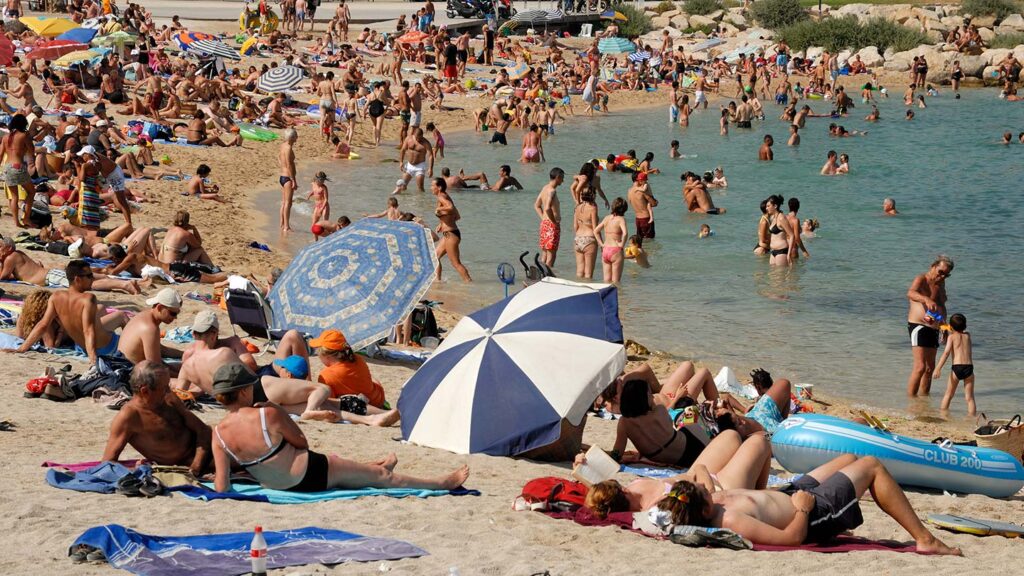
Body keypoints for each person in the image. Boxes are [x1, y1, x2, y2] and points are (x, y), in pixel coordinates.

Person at [211, 362, 469, 493]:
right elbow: (302, 444)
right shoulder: (267, 414)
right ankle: (439, 483)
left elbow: (222, 486)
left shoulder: (218, 433)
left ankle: (371, 466)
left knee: (345, 467)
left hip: (277, 485)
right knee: (381, 480)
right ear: (245, 391)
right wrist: (279, 412)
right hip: (308, 474)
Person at [654, 454, 961, 555]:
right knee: (871, 466)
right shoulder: (731, 520)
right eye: (705, 493)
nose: (710, 489)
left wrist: (693, 482)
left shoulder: (702, 501)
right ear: (705, 509)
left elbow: (700, 474)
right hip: (813, 510)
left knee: (847, 459)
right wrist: (801, 508)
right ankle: (925, 539)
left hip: (791, 490)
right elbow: (792, 539)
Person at [581, 431, 772, 517]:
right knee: (760, 442)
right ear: (621, 490)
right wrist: (701, 471)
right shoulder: (654, 507)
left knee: (731, 435)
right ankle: (758, 493)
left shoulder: (627, 493)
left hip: (695, 475)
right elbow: (707, 499)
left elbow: (601, 498)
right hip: (717, 488)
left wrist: (583, 464)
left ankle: (752, 481)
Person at [102, 361, 212, 476]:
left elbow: (203, 430)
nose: (169, 391)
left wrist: (196, 466)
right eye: (164, 388)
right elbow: (107, 463)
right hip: (188, 463)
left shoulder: (170, 398)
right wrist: (135, 470)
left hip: (204, 452)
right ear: (145, 391)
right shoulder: (129, 417)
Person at [13, 260, 126, 364]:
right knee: (122, 316)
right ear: (77, 279)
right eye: (89, 276)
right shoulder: (88, 298)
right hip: (107, 348)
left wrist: (22, 348)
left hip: (82, 347)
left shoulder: (56, 297)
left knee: (101, 310)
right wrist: (93, 359)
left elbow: (43, 324)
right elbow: (88, 330)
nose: (92, 279)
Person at [906, 255, 953, 397]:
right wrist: (925, 299)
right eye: (940, 272)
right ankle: (911, 401)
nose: (942, 276)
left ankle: (923, 402)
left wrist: (945, 327)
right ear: (933, 267)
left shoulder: (941, 285)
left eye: (946, 274)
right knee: (920, 367)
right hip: (918, 325)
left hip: (935, 328)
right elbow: (911, 293)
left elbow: (942, 307)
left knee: (929, 368)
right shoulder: (922, 279)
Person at [310, 329, 388, 408]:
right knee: (373, 379)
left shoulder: (326, 375)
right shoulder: (357, 359)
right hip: (377, 400)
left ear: (326, 356)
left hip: (361, 407)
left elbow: (330, 401)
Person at [117, 288, 185, 366]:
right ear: (159, 308)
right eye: (173, 313)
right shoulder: (150, 328)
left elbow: (160, 349)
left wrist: (184, 353)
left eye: (177, 313)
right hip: (129, 372)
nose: (175, 317)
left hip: (122, 365)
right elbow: (155, 368)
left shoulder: (143, 316)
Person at [934, 313, 976, 415]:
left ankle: (943, 415)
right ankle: (971, 419)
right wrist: (951, 327)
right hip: (969, 368)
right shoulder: (968, 336)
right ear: (965, 325)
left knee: (948, 395)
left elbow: (946, 353)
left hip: (957, 368)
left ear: (951, 326)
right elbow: (961, 331)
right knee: (970, 398)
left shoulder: (951, 337)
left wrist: (938, 368)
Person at [432, 177, 472, 282]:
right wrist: (442, 223)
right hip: (449, 233)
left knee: (455, 263)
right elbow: (457, 216)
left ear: (439, 187)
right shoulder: (445, 196)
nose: (431, 188)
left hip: (451, 235)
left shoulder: (441, 196)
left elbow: (450, 207)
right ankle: (437, 281)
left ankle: (469, 282)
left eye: (433, 186)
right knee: (435, 257)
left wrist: (439, 209)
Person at [3, 114, 37, 227]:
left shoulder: (5, 137)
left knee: (14, 196)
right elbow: (32, 151)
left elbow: (0, 155)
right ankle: (26, 218)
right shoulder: (24, 135)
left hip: (7, 166)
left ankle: (16, 222)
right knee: (31, 192)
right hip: (18, 166)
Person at [534, 167, 564, 268]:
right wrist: (554, 222)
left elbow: (537, 205)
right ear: (558, 177)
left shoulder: (545, 188)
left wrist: (543, 218)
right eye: (562, 178)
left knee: (545, 253)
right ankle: (547, 278)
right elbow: (547, 208)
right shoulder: (552, 191)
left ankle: (540, 276)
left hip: (544, 224)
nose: (563, 181)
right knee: (552, 255)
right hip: (552, 225)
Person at [594, 197, 628, 285]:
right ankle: (617, 298)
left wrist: (601, 244)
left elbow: (596, 231)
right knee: (615, 282)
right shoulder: (621, 219)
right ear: (624, 209)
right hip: (615, 250)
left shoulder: (606, 218)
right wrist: (622, 245)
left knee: (606, 281)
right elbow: (625, 233)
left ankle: (605, 298)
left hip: (605, 250)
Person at [398, 127, 434, 194]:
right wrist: (401, 162)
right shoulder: (408, 139)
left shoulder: (425, 143)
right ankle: (404, 201)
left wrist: (430, 168)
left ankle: (421, 202)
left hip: (420, 167)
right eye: (417, 138)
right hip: (409, 165)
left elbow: (430, 156)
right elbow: (403, 150)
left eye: (420, 138)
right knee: (402, 186)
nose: (418, 139)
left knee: (420, 188)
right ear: (414, 135)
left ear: (422, 136)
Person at [573, 187, 599, 280]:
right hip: (589, 239)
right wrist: (601, 243)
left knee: (579, 272)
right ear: (592, 195)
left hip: (578, 238)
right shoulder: (593, 208)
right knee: (588, 274)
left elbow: (575, 226)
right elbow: (595, 227)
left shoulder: (577, 208)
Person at [764, 195, 796, 266]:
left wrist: (789, 254)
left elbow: (792, 235)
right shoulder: (773, 218)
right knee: (772, 276)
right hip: (773, 252)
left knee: (780, 276)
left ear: (775, 206)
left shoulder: (781, 218)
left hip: (781, 252)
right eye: (766, 206)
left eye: (768, 206)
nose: (766, 208)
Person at [628, 172, 658, 240]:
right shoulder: (642, 191)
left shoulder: (629, 191)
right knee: (650, 242)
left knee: (640, 242)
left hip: (637, 219)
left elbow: (630, 202)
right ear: (638, 179)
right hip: (646, 219)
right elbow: (654, 204)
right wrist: (655, 201)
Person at [279, 128, 298, 232]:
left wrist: (282, 167)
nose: (297, 138)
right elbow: (289, 164)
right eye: (296, 136)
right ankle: (286, 226)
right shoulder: (289, 148)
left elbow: (279, 158)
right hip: (287, 178)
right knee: (288, 203)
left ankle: (282, 223)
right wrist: (293, 179)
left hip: (282, 176)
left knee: (283, 202)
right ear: (292, 137)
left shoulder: (283, 145)